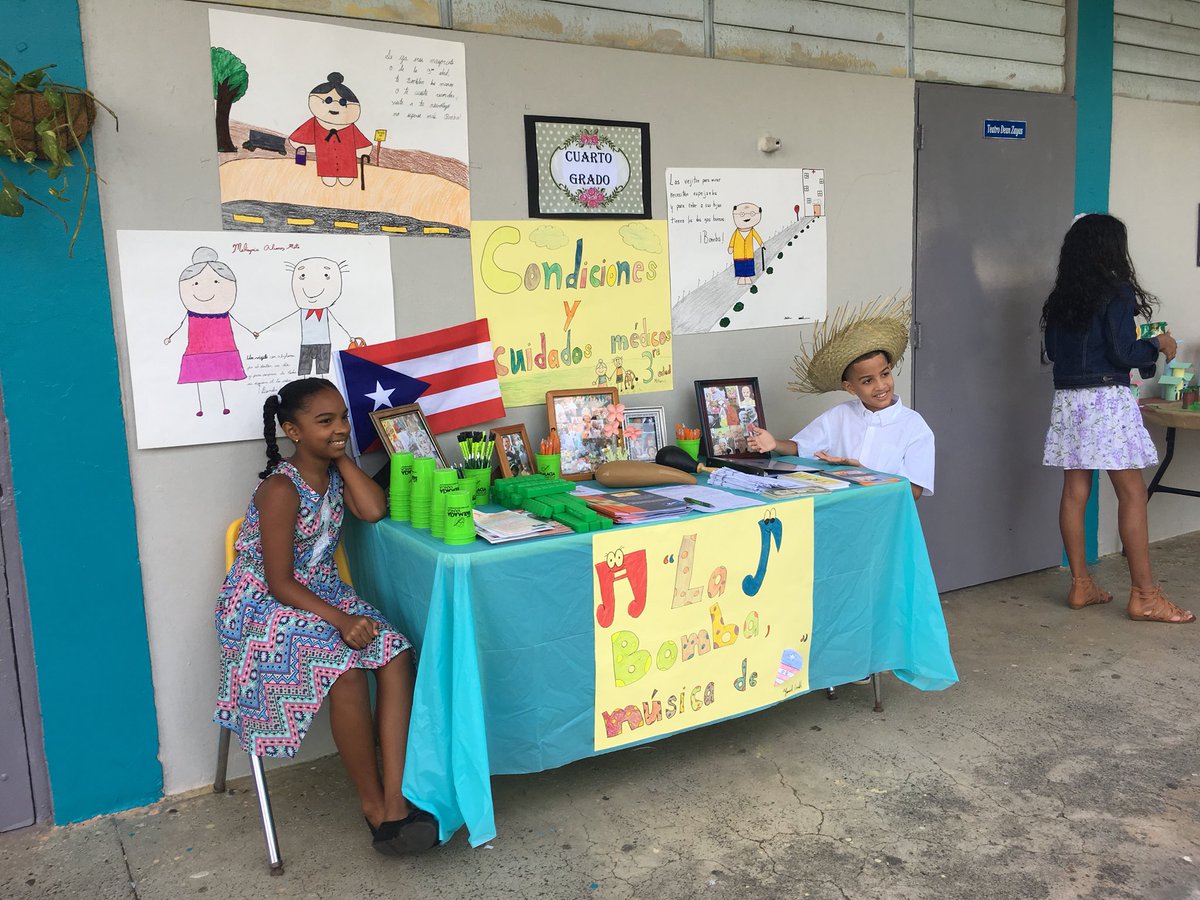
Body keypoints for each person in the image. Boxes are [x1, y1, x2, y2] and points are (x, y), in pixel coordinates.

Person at [213, 378, 440, 855]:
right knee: (346, 671)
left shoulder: (335, 476)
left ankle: (397, 799)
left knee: (395, 654)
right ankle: (374, 806)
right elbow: (279, 581)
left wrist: (341, 457)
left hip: (322, 592)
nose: (340, 428)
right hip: (260, 605)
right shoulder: (280, 489)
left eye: (342, 418)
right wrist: (341, 621)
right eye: (324, 422)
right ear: (293, 431)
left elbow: (372, 510)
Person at [1041, 213, 1193, 624]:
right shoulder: (1116, 291)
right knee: (1132, 492)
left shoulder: (1061, 297)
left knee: (1075, 490)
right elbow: (1124, 352)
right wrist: (1158, 344)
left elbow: (1054, 351)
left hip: (1068, 399)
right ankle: (1145, 596)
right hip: (1106, 400)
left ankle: (1080, 584)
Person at [747, 294, 933, 502]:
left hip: (884, 513)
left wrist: (863, 473)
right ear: (850, 387)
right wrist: (774, 443)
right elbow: (802, 447)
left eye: (884, 374)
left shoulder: (914, 426)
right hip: (841, 509)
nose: (881, 386)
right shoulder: (840, 415)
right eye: (867, 381)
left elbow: (915, 492)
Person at [164, 247, 254, 417]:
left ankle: (224, 406)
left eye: (216, 282)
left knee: (220, 378)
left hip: (224, 349)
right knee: (200, 379)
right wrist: (171, 336)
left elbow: (238, 322)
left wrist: (251, 332)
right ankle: (201, 407)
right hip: (197, 350)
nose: (204, 290)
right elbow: (181, 324)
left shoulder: (223, 313)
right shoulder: (193, 314)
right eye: (196, 283)